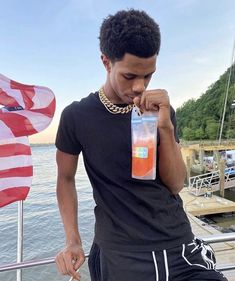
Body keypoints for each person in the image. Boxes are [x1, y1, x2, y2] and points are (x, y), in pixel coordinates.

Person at [55, 9, 227, 281]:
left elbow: (175, 184)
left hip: (179, 243)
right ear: (106, 62)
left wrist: (166, 127)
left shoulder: (160, 111)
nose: (139, 86)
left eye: (148, 76)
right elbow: (65, 179)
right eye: (130, 76)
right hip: (120, 253)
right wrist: (72, 240)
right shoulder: (77, 116)